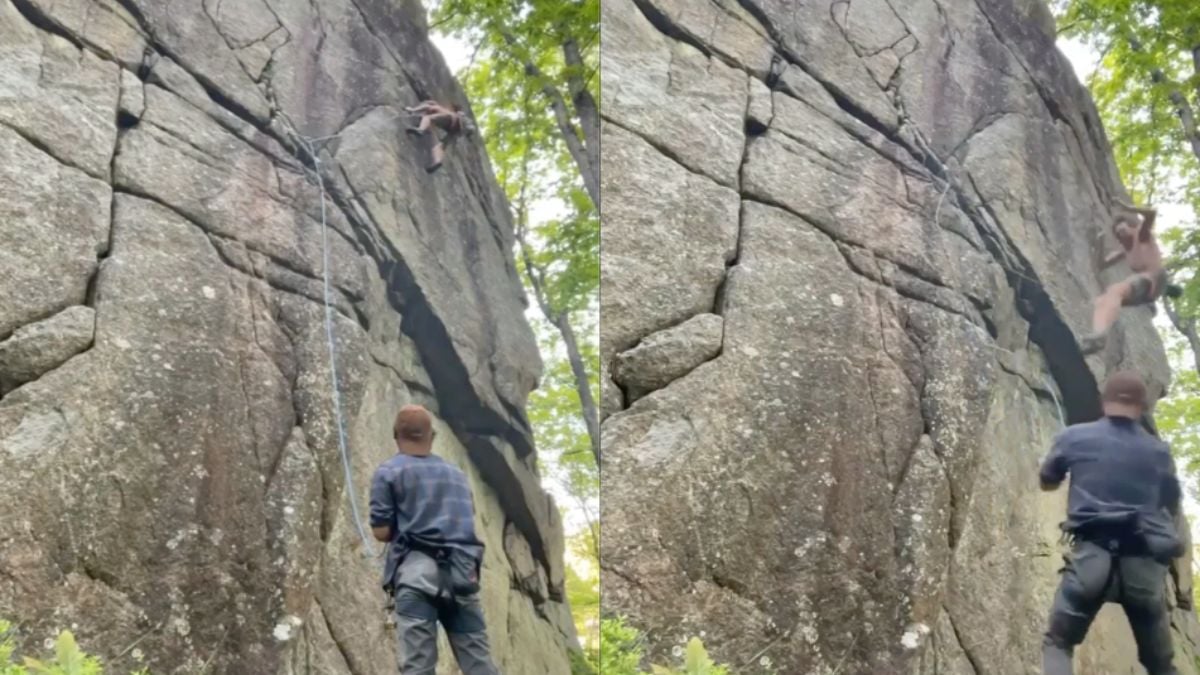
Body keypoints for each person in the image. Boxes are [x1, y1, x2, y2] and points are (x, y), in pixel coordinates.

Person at [1039, 371, 1184, 675]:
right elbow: (1170, 503)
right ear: (1142, 407)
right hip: (1143, 566)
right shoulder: (1158, 452)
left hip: (1091, 560)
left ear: (1104, 401)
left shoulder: (1075, 437)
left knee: (1058, 643)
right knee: (1161, 665)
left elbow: (1048, 480)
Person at [369, 404, 498, 675]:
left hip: (417, 579)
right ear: (432, 436)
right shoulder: (457, 475)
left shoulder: (389, 472)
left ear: (396, 434)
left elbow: (380, 531)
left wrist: (406, 528)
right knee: (480, 665)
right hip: (463, 577)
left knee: (418, 667)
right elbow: (464, 519)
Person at [1079, 202, 1169, 355]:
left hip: (1152, 280)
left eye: (1123, 229)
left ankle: (1100, 335)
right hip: (1143, 293)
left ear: (1132, 227)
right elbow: (1101, 265)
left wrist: (1128, 208)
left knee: (1115, 290)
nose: (1121, 233)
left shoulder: (1142, 235)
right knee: (1103, 299)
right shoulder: (1124, 250)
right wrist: (1099, 244)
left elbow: (1151, 214)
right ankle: (1099, 336)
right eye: (1118, 233)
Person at [404, 100, 471, 174]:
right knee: (441, 146)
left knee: (428, 118)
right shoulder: (453, 116)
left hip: (451, 119)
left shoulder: (437, 107)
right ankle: (437, 161)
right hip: (457, 130)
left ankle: (420, 129)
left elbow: (428, 107)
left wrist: (413, 110)